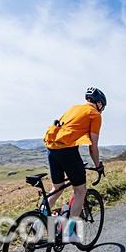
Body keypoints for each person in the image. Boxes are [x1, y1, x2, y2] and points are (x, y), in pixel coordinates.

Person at [43, 87, 106, 243]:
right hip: (67, 151)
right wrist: (98, 165)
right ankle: (69, 232)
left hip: (52, 148)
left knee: (57, 188)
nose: (101, 110)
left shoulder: (74, 108)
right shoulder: (95, 115)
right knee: (80, 190)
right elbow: (93, 146)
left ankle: (40, 221)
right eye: (102, 107)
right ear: (98, 103)